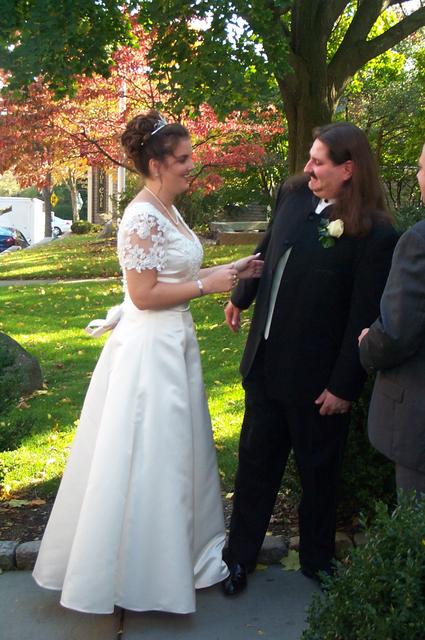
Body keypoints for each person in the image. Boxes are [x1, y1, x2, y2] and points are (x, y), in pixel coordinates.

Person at [33, 110, 263, 614]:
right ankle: (139, 575)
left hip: (172, 342)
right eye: (183, 159)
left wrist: (231, 268)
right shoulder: (142, 216)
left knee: (176, 453)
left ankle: (180, 559)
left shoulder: (168, 210)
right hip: (150, 351)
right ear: (157, 164)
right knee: (152, 453)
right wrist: (207, 285)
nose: (191, 166)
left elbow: (174, 271)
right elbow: (142, 294)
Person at [221, 122, 399, 596]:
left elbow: (363, 313)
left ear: (348, 169)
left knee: (319, 474)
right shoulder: (294, 194)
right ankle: (238, 559)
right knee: (254, 467)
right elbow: (268, 248)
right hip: (265, 364)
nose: (308, 168)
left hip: (318, 381)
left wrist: (344, 385)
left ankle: (317, 561)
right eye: (309, 158)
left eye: (318, 162)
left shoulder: (376, 232)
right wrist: (241, 294)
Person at [358, 142, 425, 495]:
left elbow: (396, 333)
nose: (418, 177)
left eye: (421, 168)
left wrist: (367, 343)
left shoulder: (418, 242)